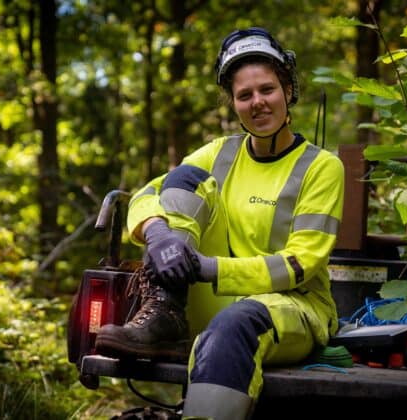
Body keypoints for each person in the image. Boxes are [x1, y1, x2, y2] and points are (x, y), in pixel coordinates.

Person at [95, 27, 345, 420]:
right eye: (244, 95)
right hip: (217, 301)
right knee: (183, 179)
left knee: (235, 323)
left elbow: (301, 263)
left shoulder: (321, 166)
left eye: (268, 90)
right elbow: (145, 195)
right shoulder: (220, 153)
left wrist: (207, 267)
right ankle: (166, 310)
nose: (257, 103)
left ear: (289, 91)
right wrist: (159, 234)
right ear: (233, 103)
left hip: (295, 307)